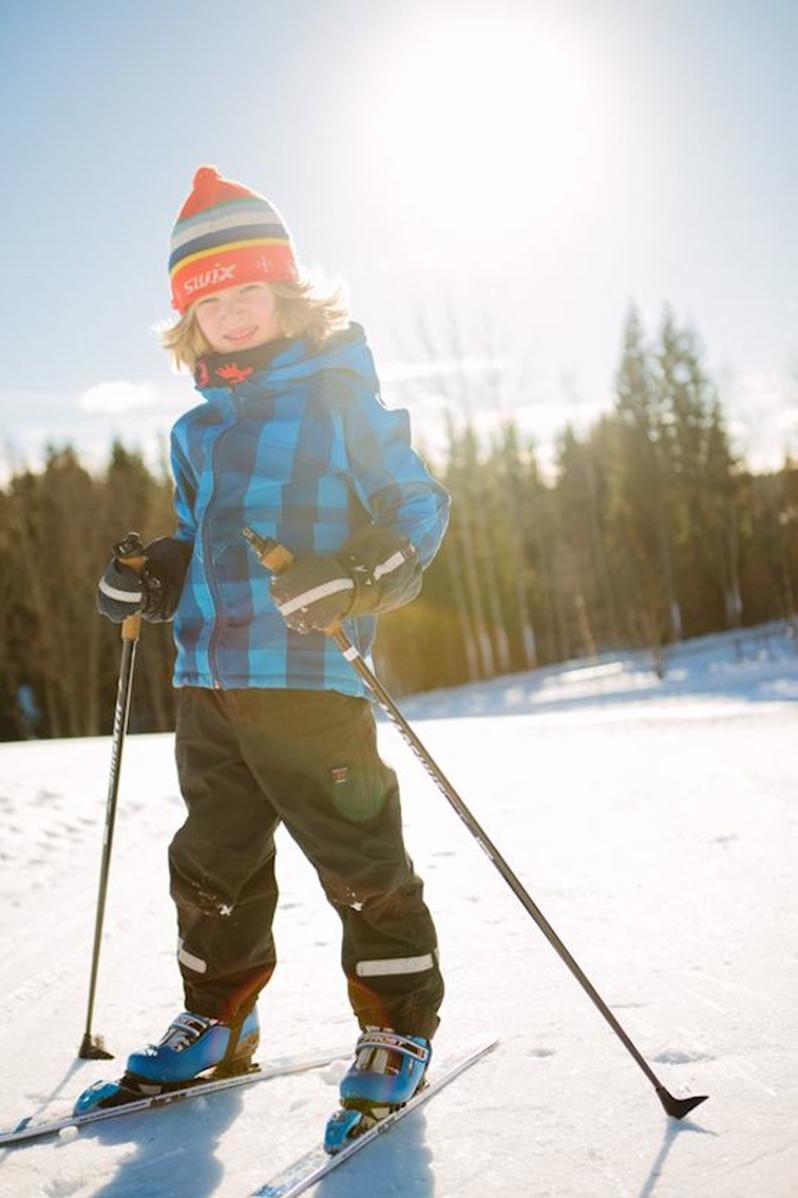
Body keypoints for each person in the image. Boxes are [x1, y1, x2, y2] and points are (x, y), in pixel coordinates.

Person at [81, 166, 449, 1147]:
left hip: (311, 684)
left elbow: (417, 507)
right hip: (208, 687)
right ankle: (221, 1015)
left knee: (361, 864)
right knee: (210, 866)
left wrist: (360, 569)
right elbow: (199, 534)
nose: (233, 313)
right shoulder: (195, 431)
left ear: (287, 293)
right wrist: (159, 571)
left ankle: (396, 1029)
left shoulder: (339, 398)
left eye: (249, 291)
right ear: (187, 324)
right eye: (210, 301)